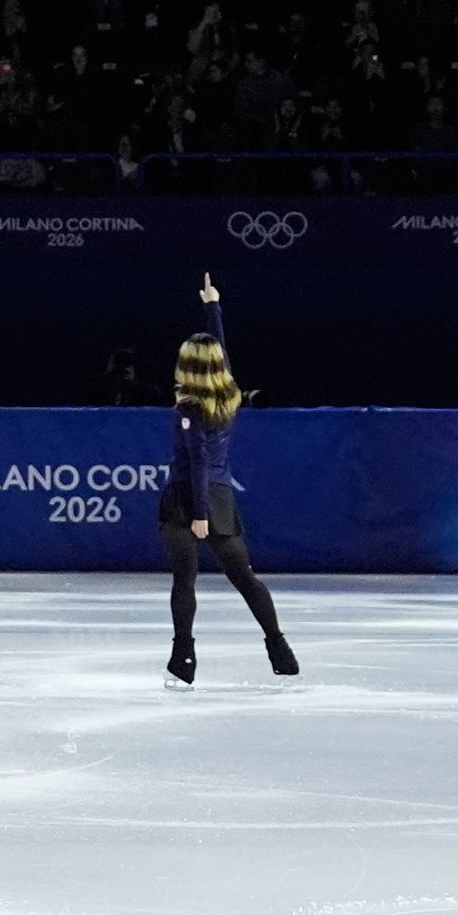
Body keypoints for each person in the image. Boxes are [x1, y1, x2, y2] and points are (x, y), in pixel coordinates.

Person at [159, 273, 297, 687]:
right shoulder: (228, 392)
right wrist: (213, 307)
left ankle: (183, 659)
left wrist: (198, 515)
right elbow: (222, 354)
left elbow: (198, 460)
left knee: (185, 580)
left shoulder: (190, 408)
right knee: (245, 577)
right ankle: (280, 650)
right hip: (220, 497)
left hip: (191, 500)